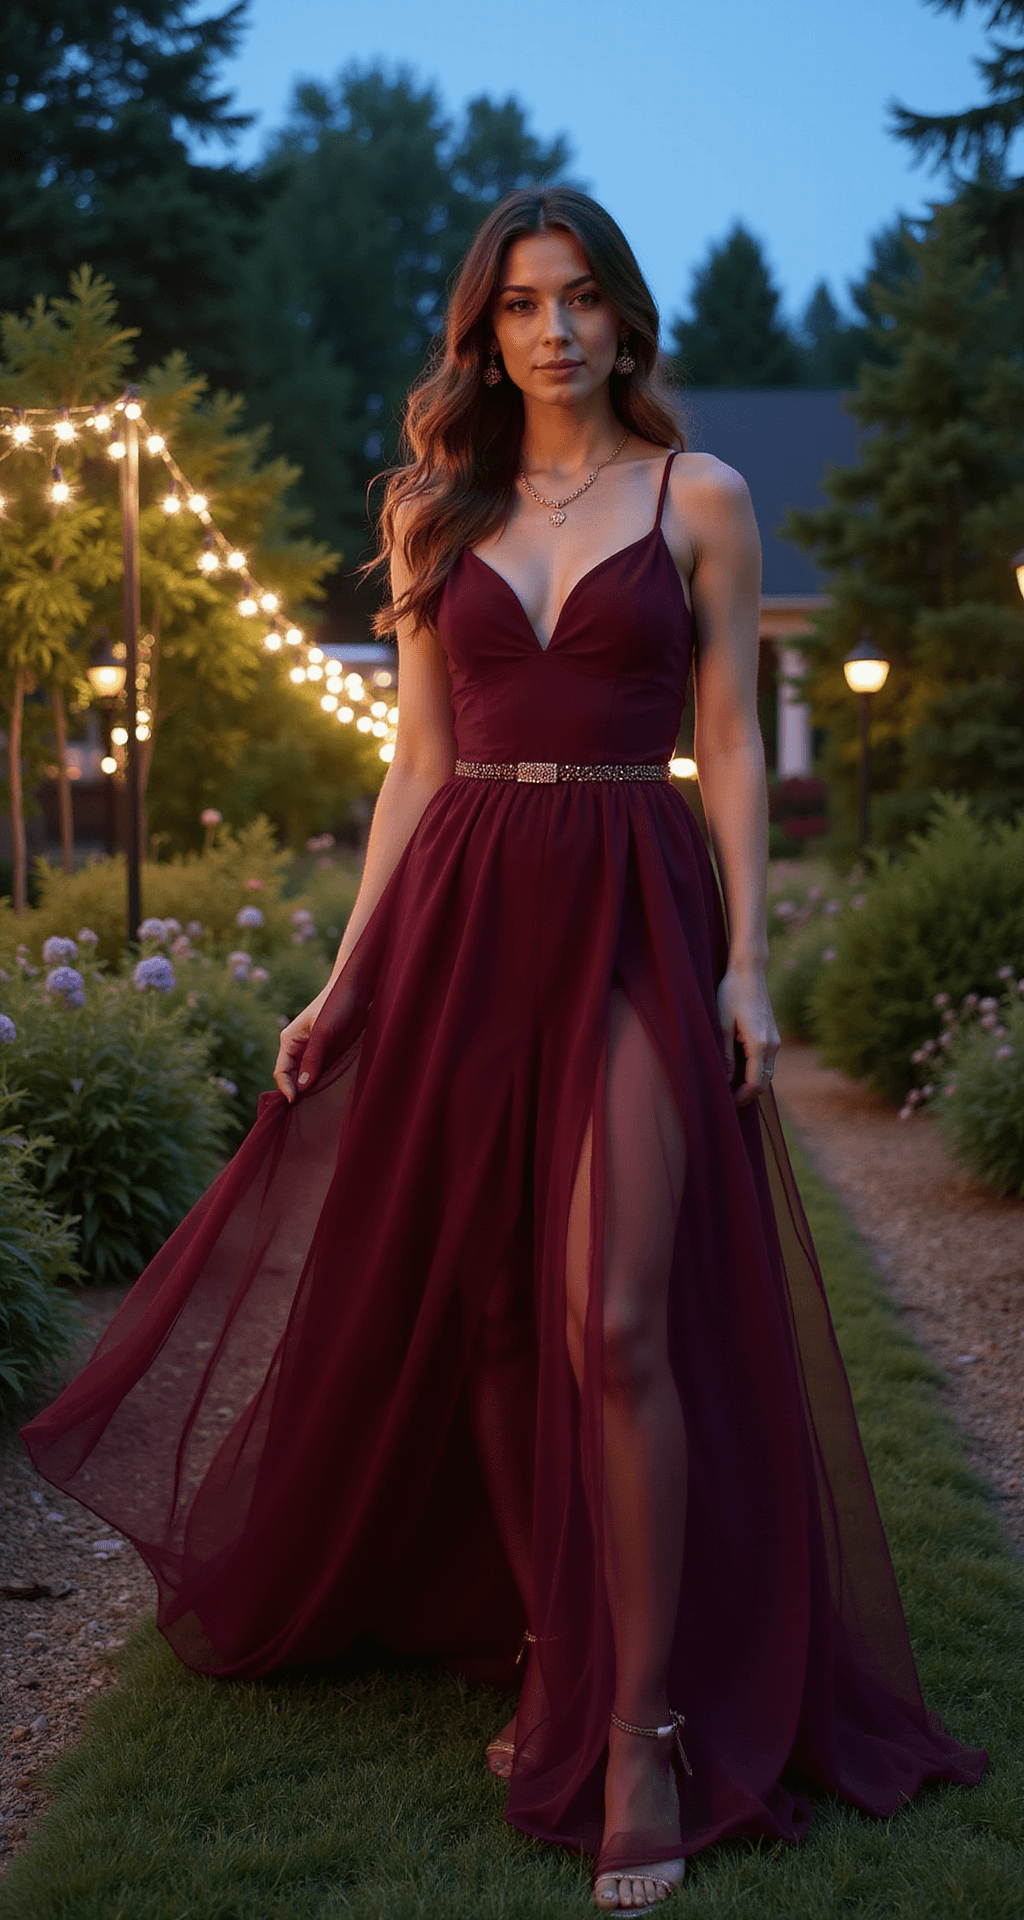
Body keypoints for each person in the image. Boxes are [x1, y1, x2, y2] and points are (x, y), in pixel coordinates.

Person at [22, 187, 985, 1912]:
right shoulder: (430, 509)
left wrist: (753, 961)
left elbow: (731, 750)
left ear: (625, 318)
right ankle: (555, 1627)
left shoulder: (703, 497)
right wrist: (339, 976)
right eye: (522, 306)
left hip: (632, 900)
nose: (554, 331)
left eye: (582, 299)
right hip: (467, 910)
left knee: (615, 1311)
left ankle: (644, 1729)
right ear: (485, 331)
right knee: (477, 1296)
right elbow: (414, 766)